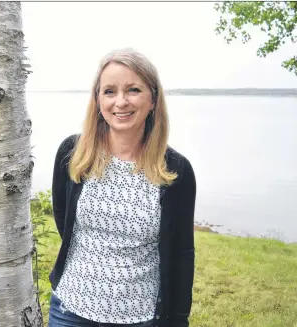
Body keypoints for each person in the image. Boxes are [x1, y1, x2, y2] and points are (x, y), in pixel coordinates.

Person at [48, 48, 197, 327]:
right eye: (109, 91)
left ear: (152, 99)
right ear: (97, 99)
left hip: (141, 317)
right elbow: (62, 215)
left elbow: (181, 253)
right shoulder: (74, 152)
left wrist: (178, 320)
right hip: (70, 310)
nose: (121, 102)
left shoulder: (176, 170)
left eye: (133, 90)